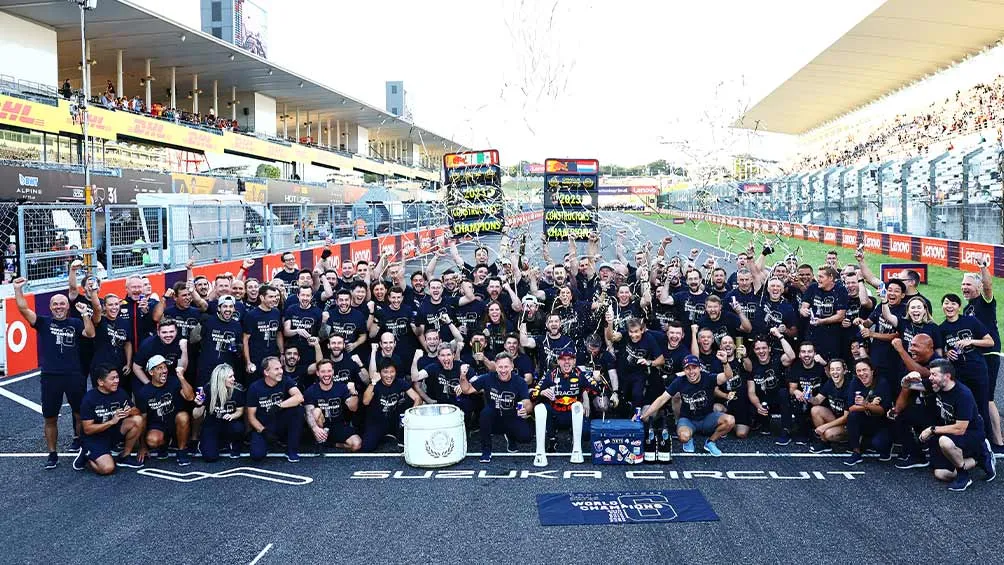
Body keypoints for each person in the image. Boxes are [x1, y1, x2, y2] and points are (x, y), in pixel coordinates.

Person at [15, 277, 95, 469]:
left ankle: (81, 443)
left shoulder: (76, 323)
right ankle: (52, 453)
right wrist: (17, 289)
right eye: (55, 304)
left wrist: (85, 315)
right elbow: (24, 309)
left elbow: (91, 333)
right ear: (50, 308)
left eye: (62, 304)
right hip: (51, 376)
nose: (59, 307)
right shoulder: (43, 322)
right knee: (50, 417)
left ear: (68, 307)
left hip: (74, 375)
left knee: (79, 413)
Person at [916, 359, 996, 491]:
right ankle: (979, 458)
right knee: (941, 474)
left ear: (947, 376)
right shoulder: (936, 385)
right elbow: (909, 385)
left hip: (970, 433)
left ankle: (964, 476)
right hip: (949, 431)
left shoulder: (963, 395)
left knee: (944, 441)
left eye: (934, 374)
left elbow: (960, 429)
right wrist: (908, 378)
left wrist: (932, 430)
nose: (930, 378)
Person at [639, 353, 736, 456]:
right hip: (688, 419)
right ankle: (689, 439)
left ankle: (710, 442)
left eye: (694, 368)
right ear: (684, 370)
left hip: (707, 417)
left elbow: (728, 376)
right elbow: (662, 399)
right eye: (687, 369)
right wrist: (644, 415)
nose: (691, 372)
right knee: (683, 437)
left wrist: (725, 362)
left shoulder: (708, 378)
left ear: (699, 368)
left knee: (730, 420)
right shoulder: (679, 381)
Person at [459, 352, 532, 463]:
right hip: (493, 417)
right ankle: (486, 450)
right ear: (495, 367)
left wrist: (524, 409)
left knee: (526, 437)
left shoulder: (520, 381)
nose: (503, 370)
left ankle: (511, 436)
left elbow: (527, 401)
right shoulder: (488, 378)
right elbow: (467, 390)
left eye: (506, 366)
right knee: (485, 413)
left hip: (511, 416)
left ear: (512, 366)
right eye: (500, 367)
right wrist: (463, 376)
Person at [531, 349, 599, 465]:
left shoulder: (580, 374)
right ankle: (551, 440)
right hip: (555, 413)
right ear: (558, 361)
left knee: (586, 433)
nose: (566, 362)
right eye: (563, 359)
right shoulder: (550, 374)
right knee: (541, 408)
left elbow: (597, 389)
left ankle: (576, 445)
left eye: (570, 359)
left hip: (573, 414)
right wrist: (541, 392)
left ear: (574, 361)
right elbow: (533, 392)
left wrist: (585, 393)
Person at [75, 366, 145, 473]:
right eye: (112, 379)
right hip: (95, 439)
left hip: (113, 433)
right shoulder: (89, 399)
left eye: (117, 377)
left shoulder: (120, 393)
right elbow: (88, 429)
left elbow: (136, 411)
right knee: (107, 468)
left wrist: (128, 412)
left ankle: (125, 456)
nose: (117, 381)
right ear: (101, 382)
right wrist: (112, 421)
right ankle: (87, 455)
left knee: (137, 420)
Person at [135, 355, 195, 466]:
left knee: (183, 416)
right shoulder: (144, 393)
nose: (164, 371)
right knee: (152, 440)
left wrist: (181, 377)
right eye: (159, 368)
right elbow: (142, 421)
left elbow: (190, 397)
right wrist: (142, 446)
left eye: (165, 367)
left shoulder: (174, 382)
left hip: (175, 423)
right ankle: (164, 444)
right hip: (157, 426)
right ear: (151, 372)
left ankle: (181, 451)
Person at [361, 360, 421, 452]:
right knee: (367, 447)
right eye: (385, 372)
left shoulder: (399, 382)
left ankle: (389, 438)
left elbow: (417, 398)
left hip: (393, 420)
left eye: (392, 372)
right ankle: (382, 439)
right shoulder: (375, 384)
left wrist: (410, 415)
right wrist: (373, 382)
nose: (389, 375)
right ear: (380, 373)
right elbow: (365, 402)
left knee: (411, 444)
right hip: (376, 422)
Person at [304, 359, 361, 452]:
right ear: (317, 373)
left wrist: (353, 393)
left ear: (333, 372)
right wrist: (315, 429)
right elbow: (308, 413)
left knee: (356, 444)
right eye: (323, 371)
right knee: (316, 411)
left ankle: (331, 444)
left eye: (329, 371)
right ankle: (320, 441)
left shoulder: (341, 387)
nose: (326, 374)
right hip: (321, 425)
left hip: (338, 424)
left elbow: (353, 408)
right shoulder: (311, 391)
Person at [194, 363, 245, 462]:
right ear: (221, 378)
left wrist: (232, 416)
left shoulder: (237, 389)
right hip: (212, 423)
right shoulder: (208, 389)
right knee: (210, 457)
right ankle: (210, 442)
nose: (234, 379)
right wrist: (199, 404)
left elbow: (240, 410)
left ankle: (231, 442)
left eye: (233, 375)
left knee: (238, 428)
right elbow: (196, 415)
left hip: (229, 423)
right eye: (230, 377)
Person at [809, 358, 851, 452]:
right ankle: (824, 443)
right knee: (815, 410)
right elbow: (818, 400)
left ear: (844, 371)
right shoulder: (830, 382)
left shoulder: (850, 386)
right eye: (832, 369)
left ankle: (850, 441)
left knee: (828, 433)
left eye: (838, 369)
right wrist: (809, 397)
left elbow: (846, 417)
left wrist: (824, 427)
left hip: (849, 424)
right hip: (836, 418)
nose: (834, 372)